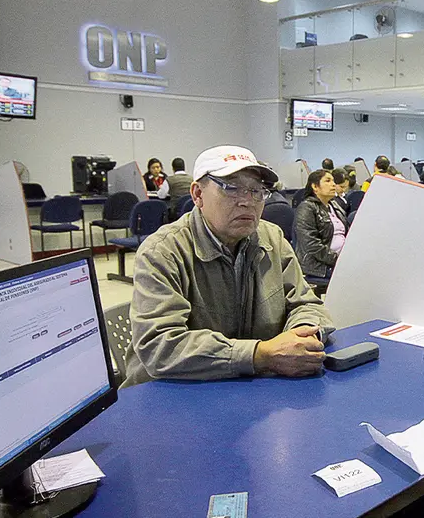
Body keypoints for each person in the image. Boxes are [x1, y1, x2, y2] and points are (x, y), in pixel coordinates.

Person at [121, 145, 334, 387]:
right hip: (171, 394)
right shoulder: (162, 252)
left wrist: (303, 335)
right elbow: (160, 345)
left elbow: (307, 304)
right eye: (231, 188)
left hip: (246, 388)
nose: (247, 201)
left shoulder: (272, 239)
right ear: (197, 194)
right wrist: (260, 355)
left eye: (257, 191)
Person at [294, 169, 348, 279]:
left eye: (333, 181)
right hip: (319, 265)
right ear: (315, 187)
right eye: (327, 181)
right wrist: (338, 259)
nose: (333, 184)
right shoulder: (306, 208)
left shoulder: (335, 206)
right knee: (354, 277)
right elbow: (311, 245)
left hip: (342, 260)